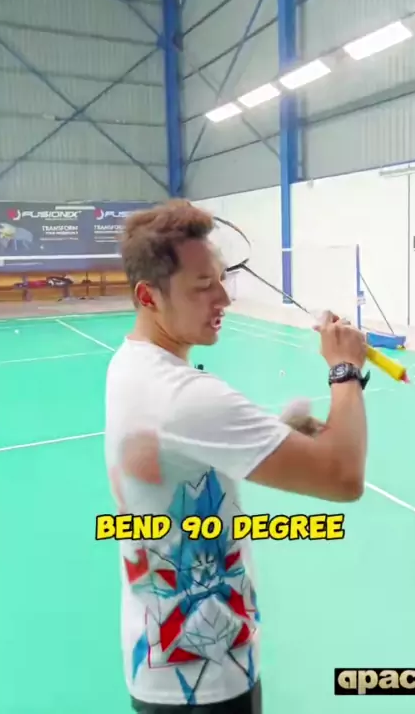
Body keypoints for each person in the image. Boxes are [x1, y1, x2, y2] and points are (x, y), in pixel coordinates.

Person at [104, 199, 368, 714]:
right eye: (203, 286)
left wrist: (276, 436)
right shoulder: (184, 397)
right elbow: (344, 476)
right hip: (207, 678)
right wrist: (345, 369)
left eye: (221, 279)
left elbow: (181, 454)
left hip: (159, 660)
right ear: (148, 296)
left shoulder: (131, 365)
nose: (223, 296)